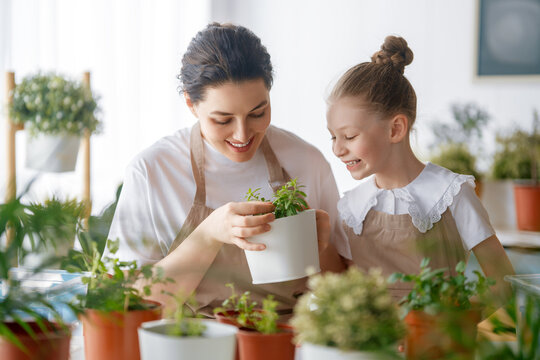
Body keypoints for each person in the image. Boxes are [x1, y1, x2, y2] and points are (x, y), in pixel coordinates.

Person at [106, 23, 349, 315]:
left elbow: (344, 290)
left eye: (258, 113)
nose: (242, 134)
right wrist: (209, 234)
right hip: (191, 341)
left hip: (286, 341)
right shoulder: (152, 172)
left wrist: (319, 248)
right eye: (223, 120)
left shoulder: (307, 161)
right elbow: (127, 302)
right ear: (191, 104)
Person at [325, 35, 514, 304]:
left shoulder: (451, 194)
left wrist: (453, 322)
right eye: (333, 137)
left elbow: (503, 284)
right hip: (374, 346)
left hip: (440, 344)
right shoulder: (351, 207)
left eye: (350, 136)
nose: (337, 149)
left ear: (395, 129)